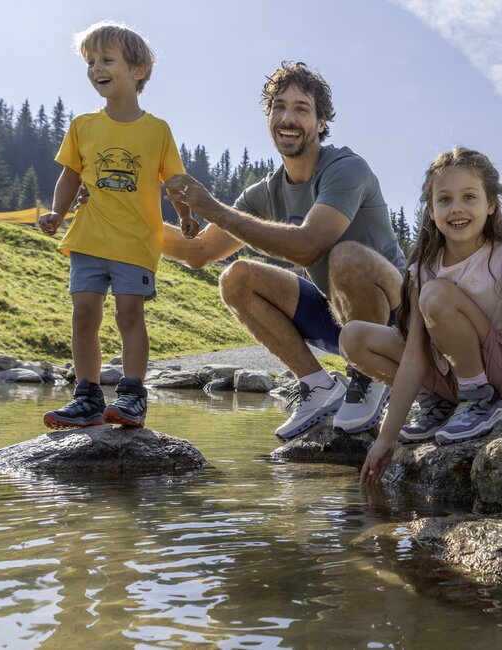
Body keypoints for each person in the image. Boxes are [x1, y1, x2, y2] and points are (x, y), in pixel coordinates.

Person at [159, 61, 406, 441]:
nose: (287, 117)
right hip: (338, 318)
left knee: (346, 256)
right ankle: (318, 386)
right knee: (236, 278)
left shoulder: (346, 168)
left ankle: (370, 377)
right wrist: (117, 221)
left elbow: (309, 247)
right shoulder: (265, 192)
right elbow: (199, 252)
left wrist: (215, 209)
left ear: (321, 122)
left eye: (301, 109)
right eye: (278, 107)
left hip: (394, 318)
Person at [347, 147, 502, 485]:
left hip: (499, 369)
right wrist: (387, 437)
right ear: (431, 210)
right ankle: (440, 405)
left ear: (490, 205)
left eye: (469, 197)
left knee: (438, 295)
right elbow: (415, 354)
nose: (456, 208)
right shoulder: (423, 269)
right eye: (444, 200)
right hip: (449, 374)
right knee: (353, 337)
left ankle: (482, 402)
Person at [37, 21, 198, 430]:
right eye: (90, 62)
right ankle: (87, 397)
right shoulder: (83, 126)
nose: (96, 69)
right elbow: (70, 176)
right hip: (88, 237)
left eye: (106, 60)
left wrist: (186, 217)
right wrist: (57, 211)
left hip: (136, 242)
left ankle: (131, 396)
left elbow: (174, 183)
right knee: (83, 315)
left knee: (130, 316)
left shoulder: (157, 130)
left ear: (138, 70)